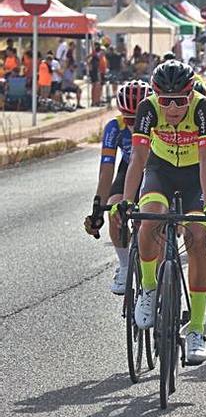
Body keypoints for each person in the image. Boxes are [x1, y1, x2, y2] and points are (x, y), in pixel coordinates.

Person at [115, 60, 206, 365]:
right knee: (148, 220)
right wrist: (126, 201)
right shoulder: (147, 109)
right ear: (155, 96)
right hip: (160, 170)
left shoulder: (203, 108)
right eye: (166, 100)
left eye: (180, 100)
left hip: (193, 177)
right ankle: (149, 289)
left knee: (197, 236)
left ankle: (196, 329)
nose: (174, 107)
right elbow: (138, 158)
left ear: (191, 94)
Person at [84, 80, 152, 293]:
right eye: (129, 118)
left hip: (154, 170)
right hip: (128, 169)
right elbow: (106, 171)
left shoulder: (157, 121)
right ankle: (124, 266)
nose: (133, 124)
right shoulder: (115, 127)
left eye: (137, 118)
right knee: (115, 209)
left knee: (149, 219)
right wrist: (98, 209)